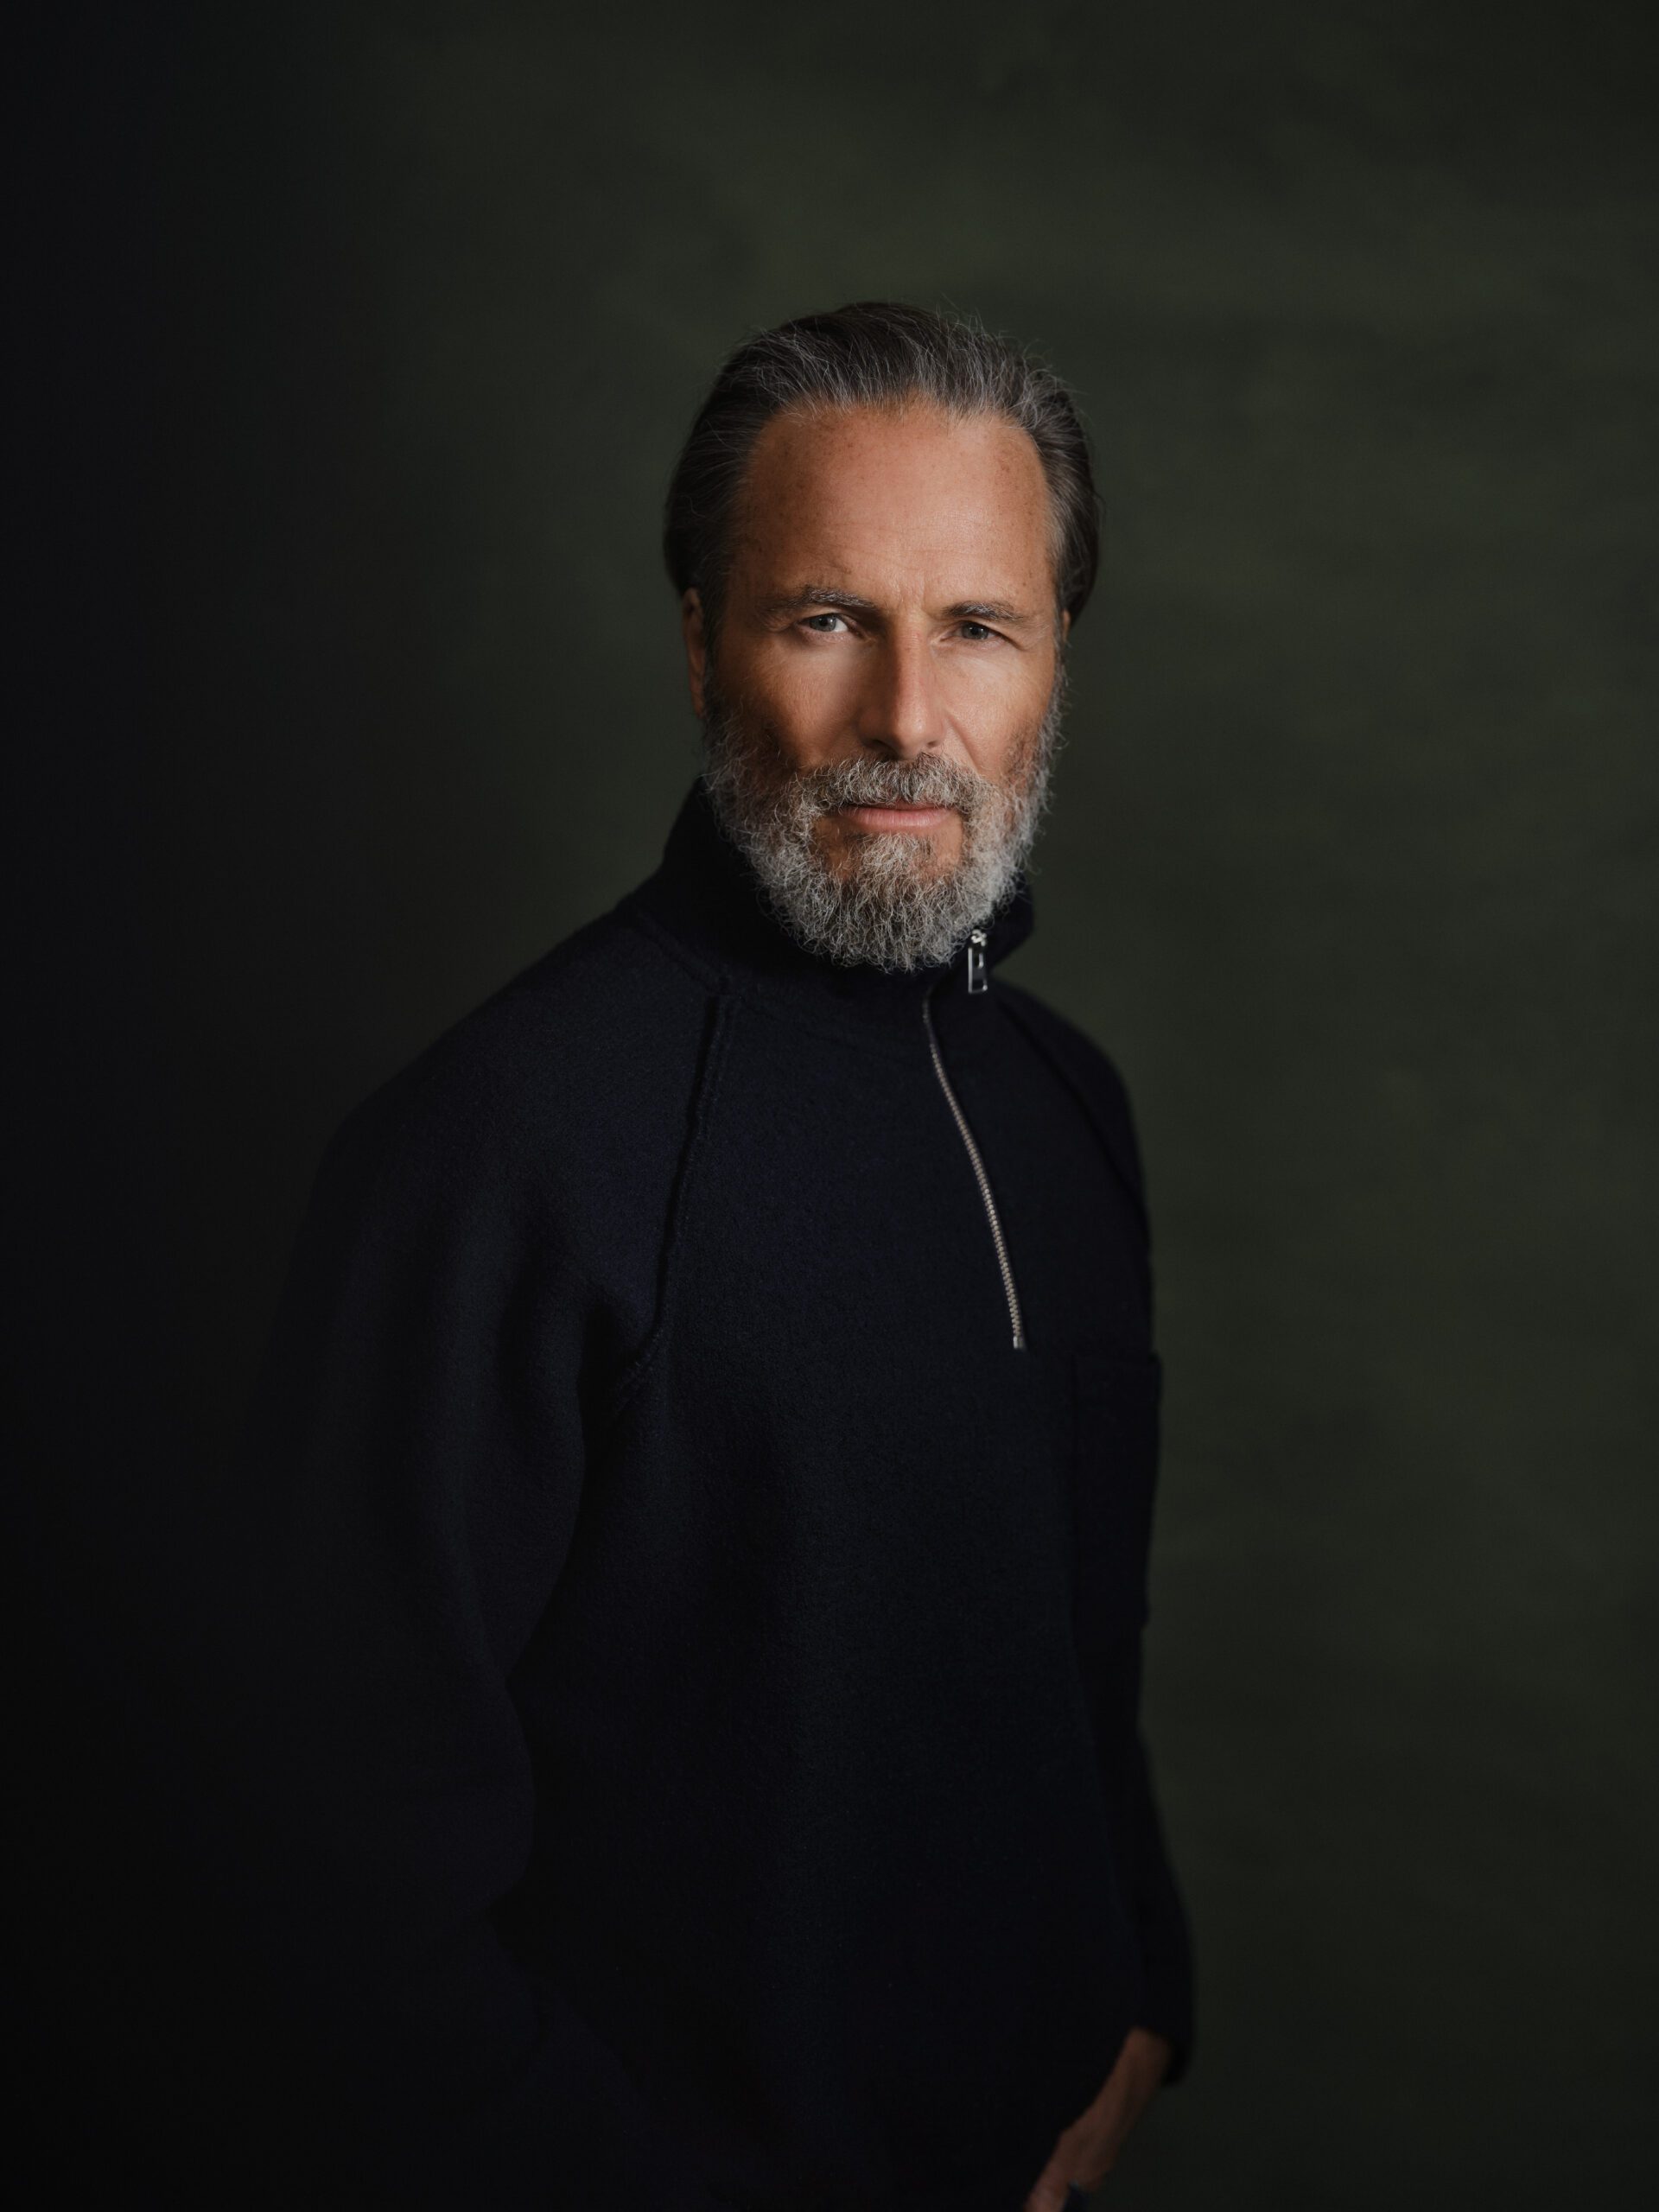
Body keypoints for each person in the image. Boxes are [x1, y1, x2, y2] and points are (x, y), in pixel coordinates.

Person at [198, 302, 1195, 2212]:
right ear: (696, 643)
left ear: (1056, 658)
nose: (908, 716)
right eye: (826, 619)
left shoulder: (1073, 1110)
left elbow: (1081, 1646)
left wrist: (1142, 1977)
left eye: (979, 627)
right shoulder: (499, 1149)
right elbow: (328, 1872)